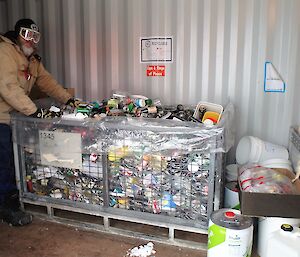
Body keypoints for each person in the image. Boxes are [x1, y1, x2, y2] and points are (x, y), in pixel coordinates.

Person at [0, 18, 81, 226]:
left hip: (15, 118)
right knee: (5, 162)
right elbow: (8, 87)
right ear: (17, 35)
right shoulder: (5, 53)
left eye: (35, 37)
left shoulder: (33, 60)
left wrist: (68, 99)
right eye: (27, 35)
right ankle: (8, 208)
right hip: (1, 117)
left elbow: (47, 82)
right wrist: (34, 112)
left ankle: (15, 197)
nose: (32, 41)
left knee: (16, 160)